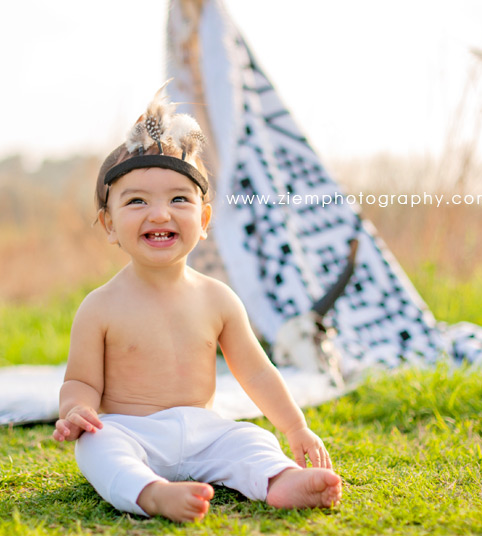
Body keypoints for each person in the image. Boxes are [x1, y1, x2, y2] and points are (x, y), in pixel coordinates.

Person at [52, 86, 342, 523]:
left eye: (179, 199)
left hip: (205, 430)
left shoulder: (218, 299)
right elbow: (80, 381)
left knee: (248, 439)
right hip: (134, 433)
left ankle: (279, 480)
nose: (160, 214)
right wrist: (78, 411)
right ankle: (150, 493)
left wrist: (294, 427)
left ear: (203, 220)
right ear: (109, 224)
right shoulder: (100, 307)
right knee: (97, 446)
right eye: (137, 201)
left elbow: (257, 371)